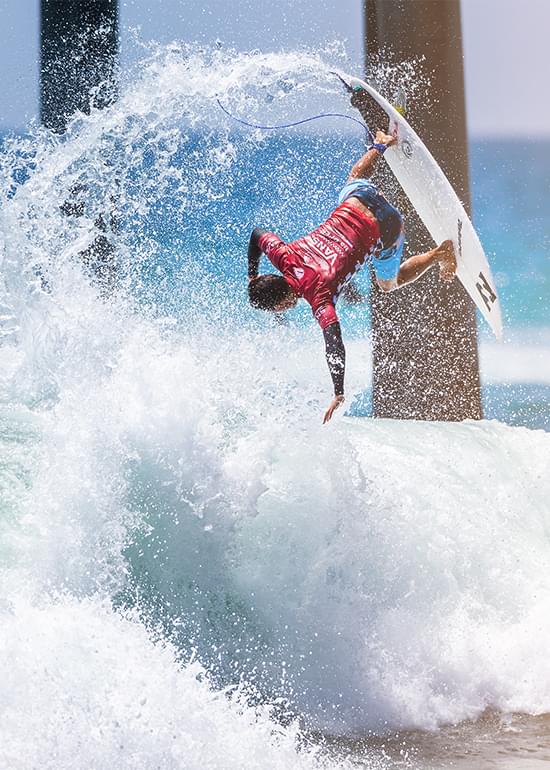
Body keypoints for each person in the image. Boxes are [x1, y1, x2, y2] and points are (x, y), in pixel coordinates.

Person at [247, 116, 456, 424]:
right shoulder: (283, 256)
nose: (283, 311)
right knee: (355, 176)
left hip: (388, 226)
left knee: (389, 282)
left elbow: (334, 340)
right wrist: (252, 273)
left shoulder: (318, 296)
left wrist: (338, 390)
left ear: (280, 302)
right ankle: (381, 144)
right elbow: (257, 233)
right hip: (362, 199)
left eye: (277, 309)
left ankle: (440, 253)